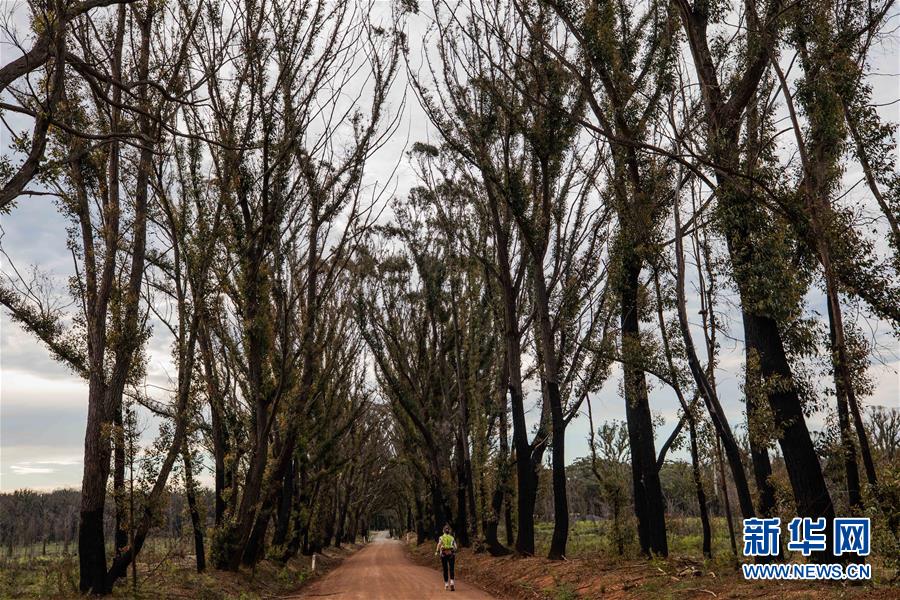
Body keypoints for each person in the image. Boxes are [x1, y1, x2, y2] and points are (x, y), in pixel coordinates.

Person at [434, 524, 458, 591]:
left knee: (445, 569)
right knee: (451, 568)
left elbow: (439, 544)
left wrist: (436, 551)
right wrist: (453, 550)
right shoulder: (452, 538)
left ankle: (446, 584)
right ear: (449, 531)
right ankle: (452, 582)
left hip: (443, 554)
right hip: (451, 554)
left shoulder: (441, 537)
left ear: (443, 531)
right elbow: (456, 547)